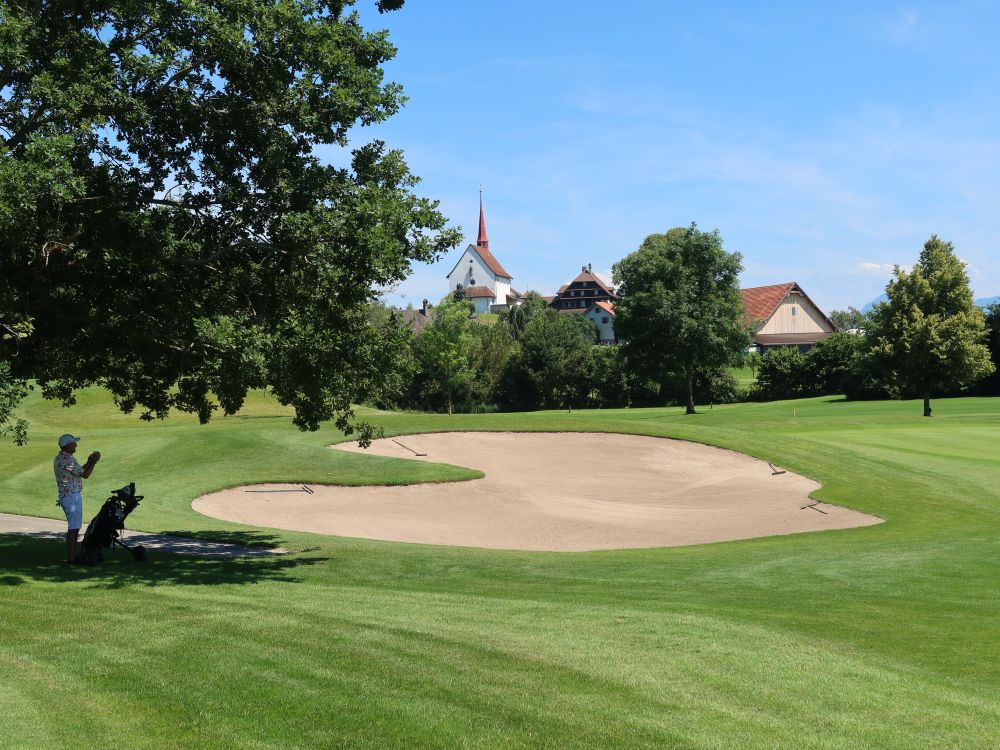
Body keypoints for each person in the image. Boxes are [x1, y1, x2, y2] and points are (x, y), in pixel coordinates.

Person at [53, 433, 101, 564]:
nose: (76, 445)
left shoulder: (62, 457)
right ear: (67, 445)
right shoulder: (67, 459)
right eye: (73, 443)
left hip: (68, 496)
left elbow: (79, 471)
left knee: (73, 527)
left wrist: (90, 461)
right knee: (74, 528)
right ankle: (72, 558)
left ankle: (72, 557)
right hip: (71, 496)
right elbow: (85, 474)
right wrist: (94, 462)